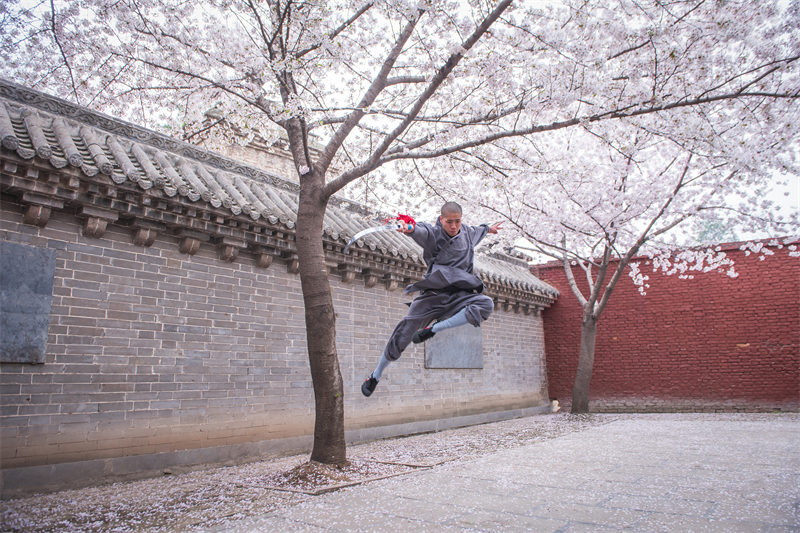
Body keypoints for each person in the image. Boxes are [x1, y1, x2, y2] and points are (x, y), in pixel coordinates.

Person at [361, 201, 502, 397]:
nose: (453, 226)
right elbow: (418, 230)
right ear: (441, 219)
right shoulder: (433, 234)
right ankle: (375, 375)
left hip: (460, 294)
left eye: (457, 221)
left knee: (486, 304)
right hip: (433, 295)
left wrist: (490, 229)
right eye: (449, 222)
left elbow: (481, 230)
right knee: (404, 331)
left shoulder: (468, 233)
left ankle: (432, 329)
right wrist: (408, 227)